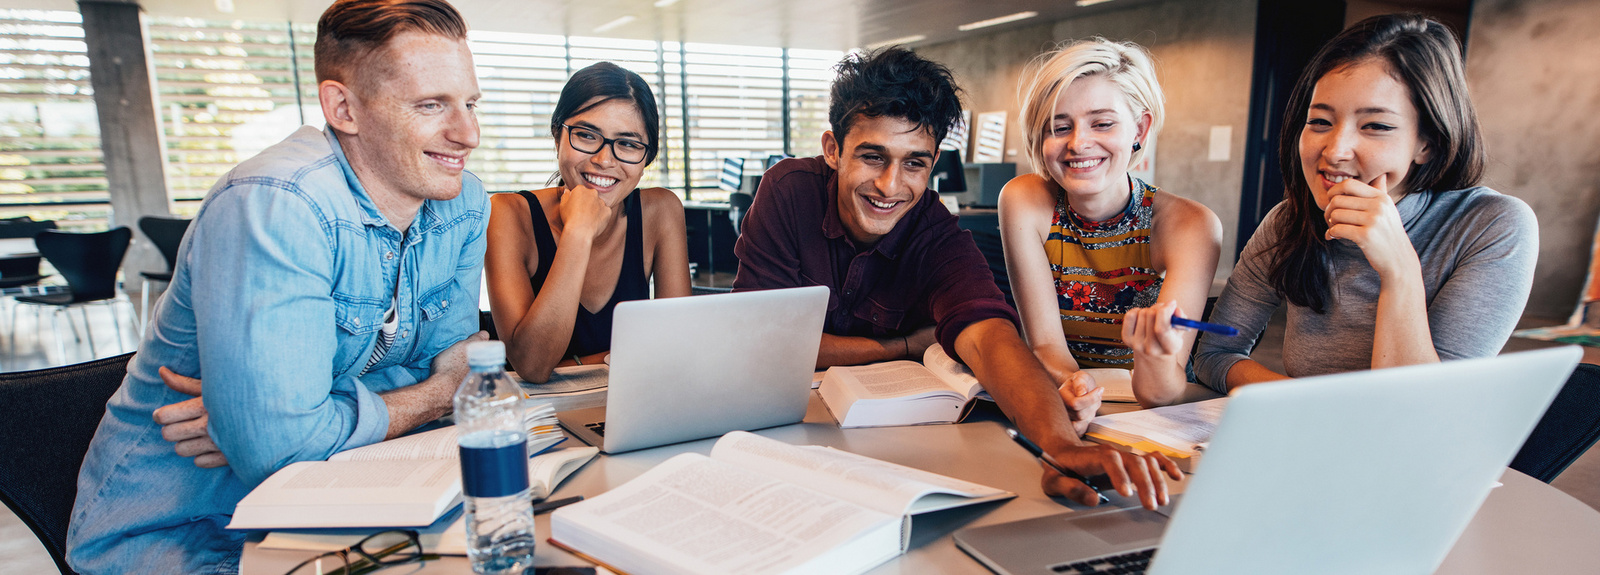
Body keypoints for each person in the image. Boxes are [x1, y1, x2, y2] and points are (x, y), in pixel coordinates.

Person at [67, 1, 488, 572]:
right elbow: (283, 451)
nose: (468, 134)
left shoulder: (461, 201)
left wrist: (295, 418)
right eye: (431, 105)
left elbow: (462, 365)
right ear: (343, 107)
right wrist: (435, 393)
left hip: (346, 506)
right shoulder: (276, 203)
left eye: (469, 103)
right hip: (195, 537)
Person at [733, 47, 1181, 509]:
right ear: (833, 150)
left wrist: (1061, 446)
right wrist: (902, 346)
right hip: (774, 434)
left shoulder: (934, 231)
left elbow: (989, 337)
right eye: (872, 157)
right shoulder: (788, 192)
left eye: (914, 163)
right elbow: (763, 342)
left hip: (881, 448)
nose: (890, 186)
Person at [1192, 14, 1537, 391]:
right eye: (1320, 121)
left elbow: (1423, 408)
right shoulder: (1288, 221)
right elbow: (1215, 354)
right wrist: (1300, 407)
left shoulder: (1493, 225)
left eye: (1375, 126)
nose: (1336, 150)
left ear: (1428, 142)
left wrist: (1399, 269)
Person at [1000, 39, 1222, 409]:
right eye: (1059, 127)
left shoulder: (1189, 225)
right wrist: (1077, 389)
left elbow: (1162, 391)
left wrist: (1154, 355)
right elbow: (1046, 347)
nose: (1079, 143)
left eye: (1102, 123)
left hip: (1153, 411)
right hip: (1065, 398)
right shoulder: (1024, 201)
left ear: (1139, 130)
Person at [485, 62, 690, 382]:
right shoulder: (508, 214)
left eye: (628, 143)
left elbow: (676, 349)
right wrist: (578, 231)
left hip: (637, 404)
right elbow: (533, 366)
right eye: (586, 135)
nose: (604, 160)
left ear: (646, 158)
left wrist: (569, 365)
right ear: (557, 137)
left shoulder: (660, 211)